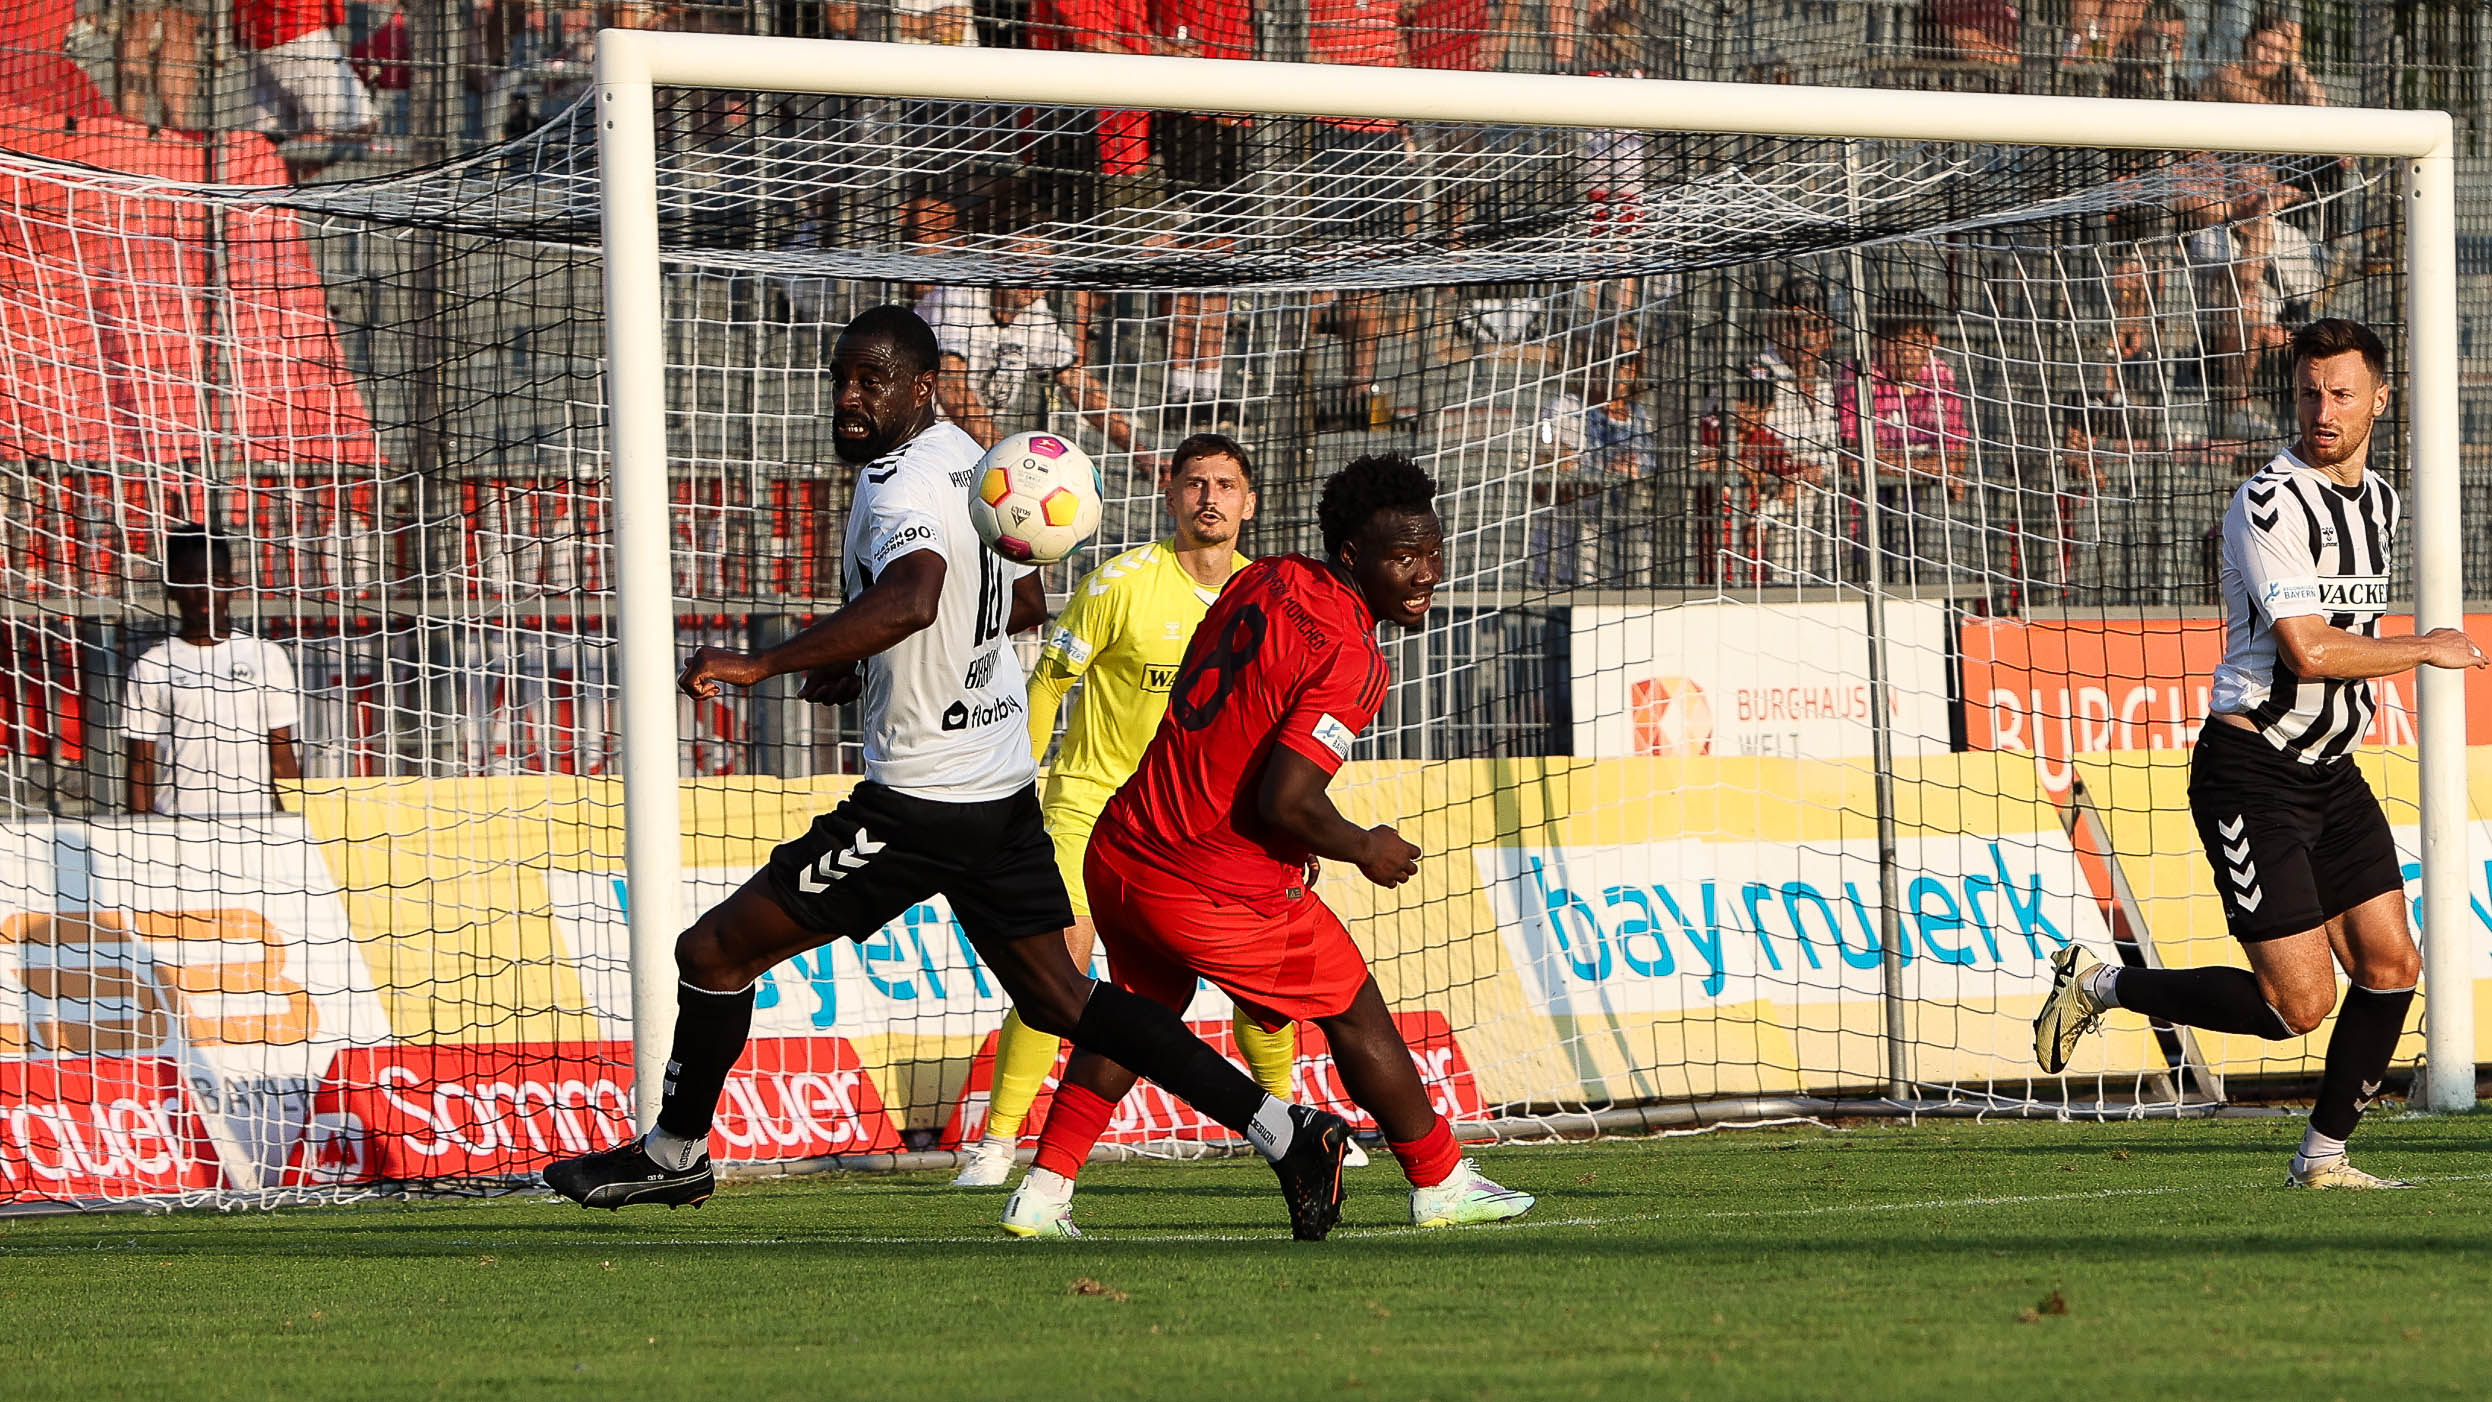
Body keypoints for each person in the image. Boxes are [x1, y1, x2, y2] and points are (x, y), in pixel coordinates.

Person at [541, 307, 1355, 1238]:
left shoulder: (899, 490)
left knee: (713, 953)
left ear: (923, 385)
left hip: (920, 804)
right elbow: (1024, 592)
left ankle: (674, 1155)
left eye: (872, 381)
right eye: (842, 377)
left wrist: (768, 662)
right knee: (1063, 999)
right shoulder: (977, 459)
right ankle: (1288, 1130)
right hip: (999, 787)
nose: (850, 398)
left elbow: (915, 595)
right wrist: (870, 662)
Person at [999, 452, 1534, 1238]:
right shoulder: (1353, 655)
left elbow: (1214, 705)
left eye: (1431, 552)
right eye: (1402, 557)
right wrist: (1364, 846)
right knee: (1355, 1008)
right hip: (1207, 880)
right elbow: (1287, 799)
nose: (1425, 573)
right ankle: (1440, 1178)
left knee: (1137, 1015)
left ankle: (1042, 1193)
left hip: (1125, 844)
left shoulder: (1265, 576)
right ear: (1352, 556)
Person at [2033, 318, 2486, 1190]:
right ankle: (2102, 986)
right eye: (2310, 392)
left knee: (2394, 966)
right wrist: (2426, 648)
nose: (2323, 408)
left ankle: (2322, 1159)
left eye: (2342, 392)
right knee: (2297, 1007)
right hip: (2253, 771)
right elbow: (2307, 651)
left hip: (2333, 772)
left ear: (2379, 401)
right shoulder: (2268, 502)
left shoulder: (2382, 503)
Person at [953, 433, 1363, 1185]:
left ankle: (1289, 1126)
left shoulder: (1271, 596)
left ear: (1250, 502)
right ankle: (996, 1143)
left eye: (1226, 484)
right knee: (1062, 970)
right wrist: (1015, 789)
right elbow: (1047, 688)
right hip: (1088, 806)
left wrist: (1287, 824)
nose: (1210, 497)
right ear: (1171, 496)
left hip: (1210, 826)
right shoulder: (1120, 583)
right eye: (1195, 483)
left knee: (1261, 987)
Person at [124, 525, 302, 819]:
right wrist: (142, 838)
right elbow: (139, 766)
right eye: (193, 581)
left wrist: (296, 828)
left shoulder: (266, 656)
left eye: (216, 579)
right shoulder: (152, 665)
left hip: (254, 831)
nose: (206, 593)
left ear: (231, 584)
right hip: (175, 831)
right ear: (172, 587)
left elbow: (282, 757)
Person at [2202, 12, 2329, 107]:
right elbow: (2268, 113)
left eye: (2280, 50)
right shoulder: (2227, 75)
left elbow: (2319, 105)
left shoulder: (2277, 85)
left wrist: (2295, 60)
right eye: (2263, 45)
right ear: (2248, 43)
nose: (2270, 56)